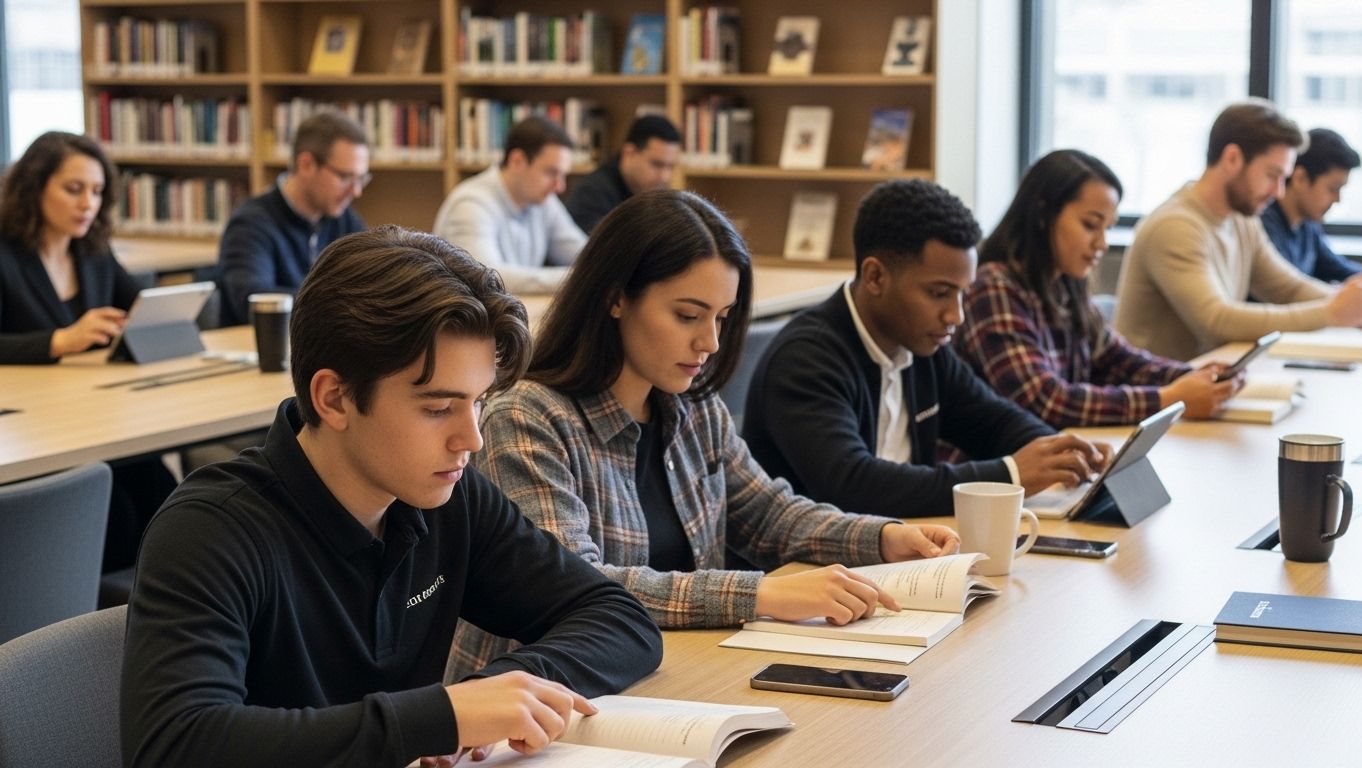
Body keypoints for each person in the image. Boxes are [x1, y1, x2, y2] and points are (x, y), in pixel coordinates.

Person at [121, 226, 662, 768]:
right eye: (438, 408)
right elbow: (176, 745)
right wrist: (440, 717)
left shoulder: (449, 496)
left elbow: (618, 617)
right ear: (334, 399)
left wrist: (499, 694)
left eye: (478, 402)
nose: (472, 439)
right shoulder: (209, 529)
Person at [447, 189, 960, 679]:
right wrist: (762, 595)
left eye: (722, 317)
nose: (710, 341)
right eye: (688, 315)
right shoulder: (527, 418)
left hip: (670, 673)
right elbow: (579, 586)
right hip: (543, 697)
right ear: (615, 298)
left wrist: (883, 537)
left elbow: (770, 515)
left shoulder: (692, 405)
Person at [742, 179, 1111, 519]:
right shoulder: (805, 359)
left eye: (962, 294)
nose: (956, 315)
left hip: (903, 546)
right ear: (875, 277)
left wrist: (1061, 452)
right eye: (939, 293)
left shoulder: (923, 348)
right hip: (814, 562)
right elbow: (853, 486)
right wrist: (1010, 474)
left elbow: (994, 421)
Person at [956, 149, 1242, 427]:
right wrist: (1167, 399)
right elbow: (1045, 400)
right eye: (1091, 225)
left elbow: (1119, 360)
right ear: (1043, 214)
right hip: (998, 459)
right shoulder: (993, 287)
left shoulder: (1065, 283)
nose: (1102, 243)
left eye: (1108, 228)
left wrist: (1197, 376)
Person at [0, 130, 177, 570]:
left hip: (96, 414)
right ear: (35, 187)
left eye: (97, 192)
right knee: (121, 512)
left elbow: (137, 305)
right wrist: (59, 341)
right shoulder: (5, 255)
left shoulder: (93, 250)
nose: (87, 204)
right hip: (33, 429)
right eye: (73, 189)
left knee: (163, 489)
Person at [1114, 100, 1362, 361]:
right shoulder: (1175, 226)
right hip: (1159, 392)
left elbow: (1288, 288)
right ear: (1232, 159)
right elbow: (1216, 322)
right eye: (1273, 175)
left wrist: (1358, 310)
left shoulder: (1241, 219)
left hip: (1206, 380)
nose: (1279, 192)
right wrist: (1330, 313)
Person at [217, 111, 368, 325]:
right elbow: (255, 301)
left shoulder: (346, 220)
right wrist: (345, 303)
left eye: (361, 179)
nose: (356, 191)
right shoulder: (250, 223)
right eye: (345, 177)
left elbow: (374, 284)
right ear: (306, 165)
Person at [433, 117, 587, 294]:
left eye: (563, 175)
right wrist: (578, 278)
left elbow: (584, 254)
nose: (560, 186)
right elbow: (486, 279)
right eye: (551, 173)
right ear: (517, 160)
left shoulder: (544, 202)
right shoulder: (470, 205)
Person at [1261, 127, 1362, 296]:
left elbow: (1338, 268)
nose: (1337, 199)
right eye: (1333, 188)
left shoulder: (1307, 225)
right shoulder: (1264, 226)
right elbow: (1289, 292)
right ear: (1301, 178)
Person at [565, 114, 681, 234]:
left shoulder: (652, 193)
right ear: (629, 153)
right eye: (657, 164)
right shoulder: (591, 195)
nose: (665, 177)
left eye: (670, 166)